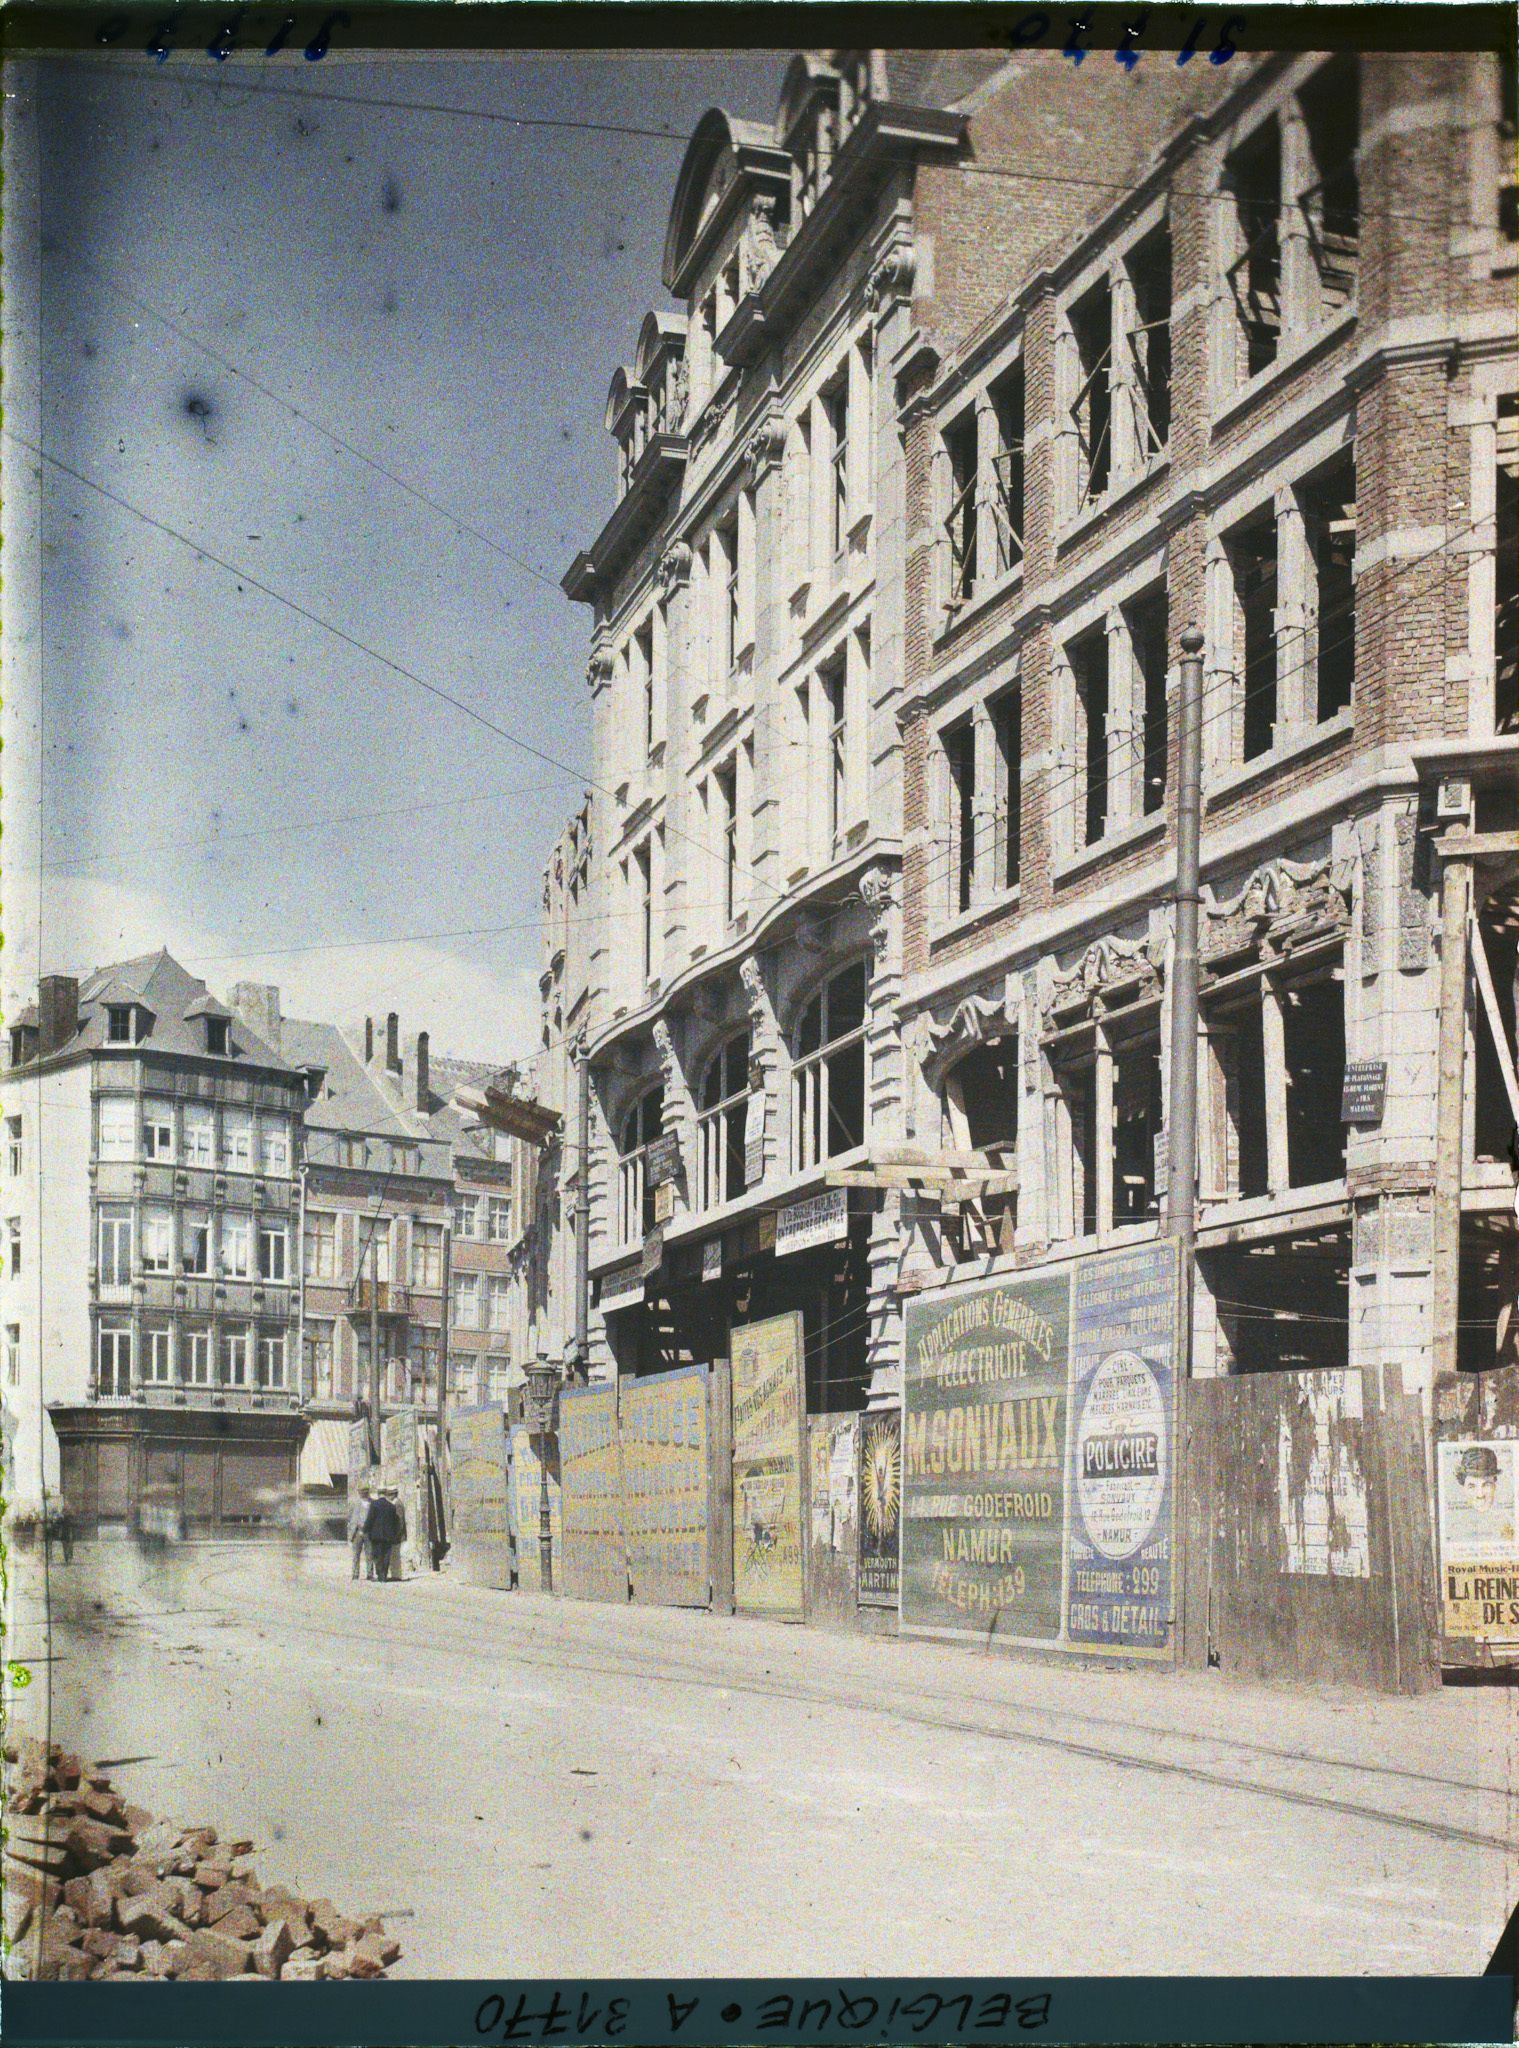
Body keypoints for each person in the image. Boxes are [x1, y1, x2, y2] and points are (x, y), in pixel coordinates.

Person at [348, 1484, 374, 1581]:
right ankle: (355, 1574)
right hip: (357, 1531)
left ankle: (370, 1574)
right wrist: (351, 1532)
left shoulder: (373, 1503)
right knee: (356, 1554)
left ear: (368, 1492)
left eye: (365, 1492)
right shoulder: (354, 1504)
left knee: (370, 1554)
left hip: (369, 1532)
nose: (363, 1494)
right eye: (361, 1492)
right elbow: (350, 1518)